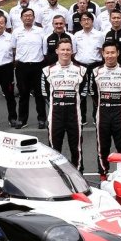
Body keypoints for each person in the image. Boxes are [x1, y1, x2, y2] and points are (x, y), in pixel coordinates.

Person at [41, 38, 86, 170]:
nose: (65, 52)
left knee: (76, 149)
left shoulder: (81, 70)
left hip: (74, 115)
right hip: (56, 116)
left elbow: (83, 92)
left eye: (68, 49)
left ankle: (79, 175)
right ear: (57, 51)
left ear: (72, 51)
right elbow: (44, 93)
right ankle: (56, 178)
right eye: (62, 49)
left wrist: (72, 102)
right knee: (54, 150)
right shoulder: (47, 70)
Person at [92, 42, 121, 176]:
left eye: (112, 52)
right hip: (102, 113)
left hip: (120, 112)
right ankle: (103, 175)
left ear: (118, 53)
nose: (110, 56)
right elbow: (93, 93)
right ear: (103, 54)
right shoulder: (95, 72)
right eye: (107, 53)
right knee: (103, 146)